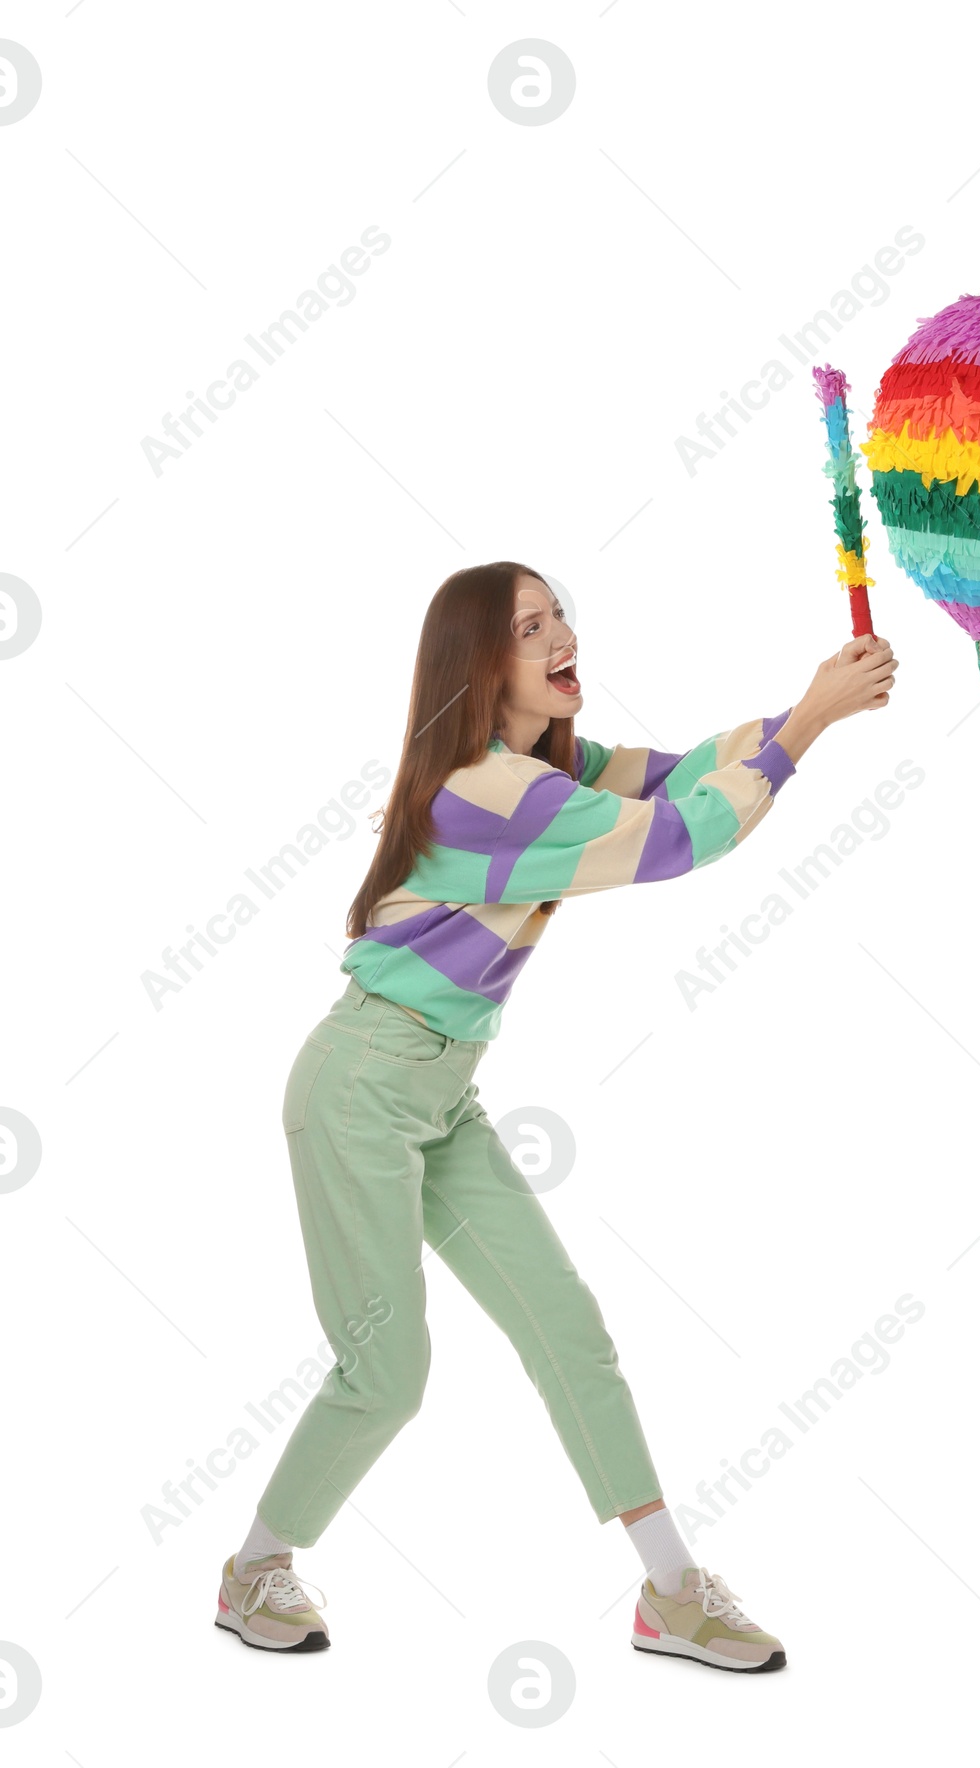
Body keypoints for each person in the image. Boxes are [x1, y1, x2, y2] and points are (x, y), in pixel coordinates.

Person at [213, 560, 897, 1671]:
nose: (560, 635)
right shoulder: (484, 790)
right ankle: (253, 1571)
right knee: (387, 1373)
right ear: (481, 666)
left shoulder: (556, 769)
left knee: (569, 1329)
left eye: (559, 614)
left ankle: (673, 1593)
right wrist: (812, 722)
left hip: (440, 1096)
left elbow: (682, 776)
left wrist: (811, 703)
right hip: (360, 1088)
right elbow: (680, 840)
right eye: (529, 627)